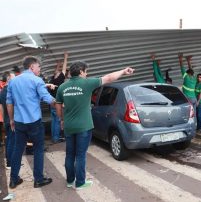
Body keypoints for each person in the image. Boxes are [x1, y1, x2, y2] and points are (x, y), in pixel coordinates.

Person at [56, 61, 134, 190]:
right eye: (86, 71)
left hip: (69, 126)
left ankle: (70, 181)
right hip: (84, 127)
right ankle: (80, 182)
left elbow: (58, 105)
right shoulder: (87, 83)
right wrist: (123, 71)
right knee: (80, 155)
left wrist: (61, 120)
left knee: (70, 154)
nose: (87, 74)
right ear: (81, 72)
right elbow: (109, 78)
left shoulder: (62, 87)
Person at [7, 56, 56, 189]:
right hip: (34, 122)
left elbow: (9, 103)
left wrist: (11, 119)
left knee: (18, 149)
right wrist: (59, 104)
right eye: (39, 67)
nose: (40, 69)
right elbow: (47, 98)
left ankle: (13, 179)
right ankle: (38, 179)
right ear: (32, 67)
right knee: (38, 149)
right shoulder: (36, 80)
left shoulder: (13, 82)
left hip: (19, 122)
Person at [48, 51, 68, 143]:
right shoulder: (60, 80)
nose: (60, 72)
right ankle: (56, 138)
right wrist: (65, 58)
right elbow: (63, 69)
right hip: (56, 103)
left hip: (51, 103)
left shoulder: (52, 79)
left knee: (53, 121)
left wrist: (58, 64)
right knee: (57, 121)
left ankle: (54, 137)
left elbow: (56, 71)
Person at [0, 71, 15, 169]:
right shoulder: (10, 91)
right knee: (11, 141)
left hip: (6, 119)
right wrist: (11, 119)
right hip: (11, 120)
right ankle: (10, 163)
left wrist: (4, 119)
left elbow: (1, 107)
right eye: (14, 77)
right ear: (9, 79)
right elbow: (11, 106)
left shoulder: (2, 91)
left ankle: (9, 161)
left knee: (8, 140)